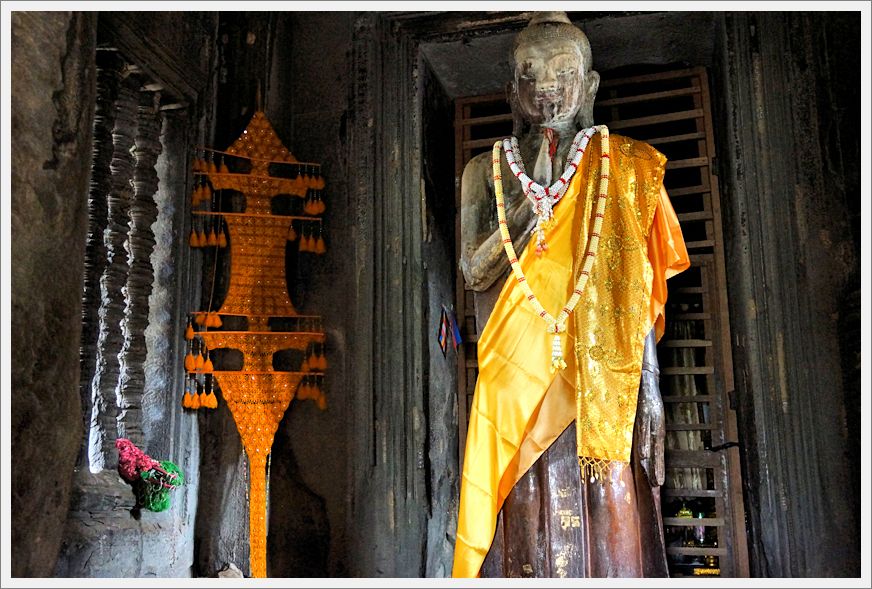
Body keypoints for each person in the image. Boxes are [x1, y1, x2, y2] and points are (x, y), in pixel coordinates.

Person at [453, 12, 690, 578]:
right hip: (515, 373)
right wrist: (529, 206)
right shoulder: (484, 171)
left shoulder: (626, 165)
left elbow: (638, 286)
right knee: (521, 505)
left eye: (563, 71)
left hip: (604, 369)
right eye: (530, 75)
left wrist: (649, 387)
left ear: (589, 84)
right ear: (512, 91)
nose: (547, 88)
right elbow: (472, 269)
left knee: (610, 499)